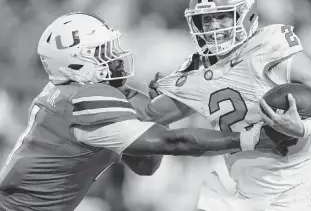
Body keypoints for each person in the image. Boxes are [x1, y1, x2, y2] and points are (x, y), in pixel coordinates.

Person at [123, 0, 311, 211]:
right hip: (246, 200)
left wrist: (306, 127)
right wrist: (111, 88)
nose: (214, 26)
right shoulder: (197, 73)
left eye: (223, 16)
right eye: (206, 19)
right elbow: (149, 116)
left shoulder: (267, 51)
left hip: (300, 200)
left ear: (246, 15)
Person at [0, 12, 271, 211]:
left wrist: (184, 90)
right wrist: (252, 138)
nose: (115, 55)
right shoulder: (82, 99)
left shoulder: (79, 92)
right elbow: (173, 142)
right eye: (102, 51)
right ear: (75, 65)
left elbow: (146, 163)